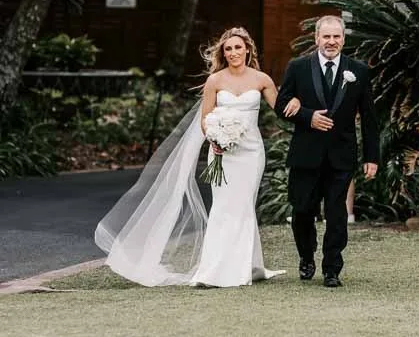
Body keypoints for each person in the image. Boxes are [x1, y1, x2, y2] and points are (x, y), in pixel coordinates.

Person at [95, 26, 299, 288]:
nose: (234, 52)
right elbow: (205, 119)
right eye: (228, 49)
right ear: (223, 54)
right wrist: (215, 139)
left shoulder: (262, 79)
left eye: (238, 47)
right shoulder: (215, 81)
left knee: (243, 205)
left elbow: (281, 109)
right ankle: (215, 269)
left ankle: (243, 267)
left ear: (248, 49)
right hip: (221, 153)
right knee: (224, 206)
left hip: (251, 153)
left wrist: (295, 103)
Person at [275, 15, 380, 287]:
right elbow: (281, 104)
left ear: (343, 39)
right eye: (326, 36)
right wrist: (307, 116)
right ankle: (306, 256)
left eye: (336, 37)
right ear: (316, 38)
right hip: (305, 154)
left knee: (337, 214)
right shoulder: (297, 67)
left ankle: (332, 268)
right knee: (302, 211)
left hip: (341, 156)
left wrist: (372, 157)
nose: (331, 41)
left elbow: (369, 117)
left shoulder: (358, 70)